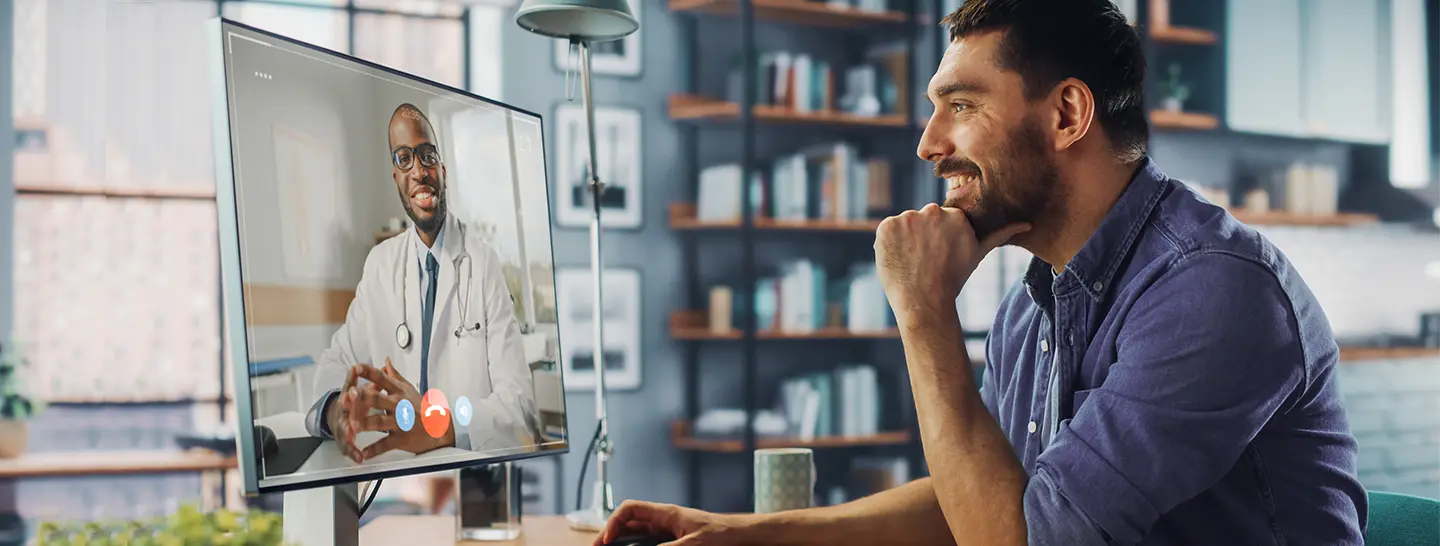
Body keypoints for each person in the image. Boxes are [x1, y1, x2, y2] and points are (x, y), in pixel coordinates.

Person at [596, 1, 1368, 544]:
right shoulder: (1034, 303)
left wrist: (924, 312)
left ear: (1067, 115)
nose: (929, 143)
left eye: (959, 104)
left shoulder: (1212, 291)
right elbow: (984, 499)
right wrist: (751, 535)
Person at [303, 103, 537, 463]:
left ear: (443, 172)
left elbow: (520, 404)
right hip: (394, 472)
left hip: (463, 469)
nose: (418, 171)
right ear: (396, 178)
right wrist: (338, 408)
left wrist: (437, 424)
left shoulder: (483, 262)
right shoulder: (380, 264)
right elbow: (337, 361)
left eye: (427, 156)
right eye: (404, 159)